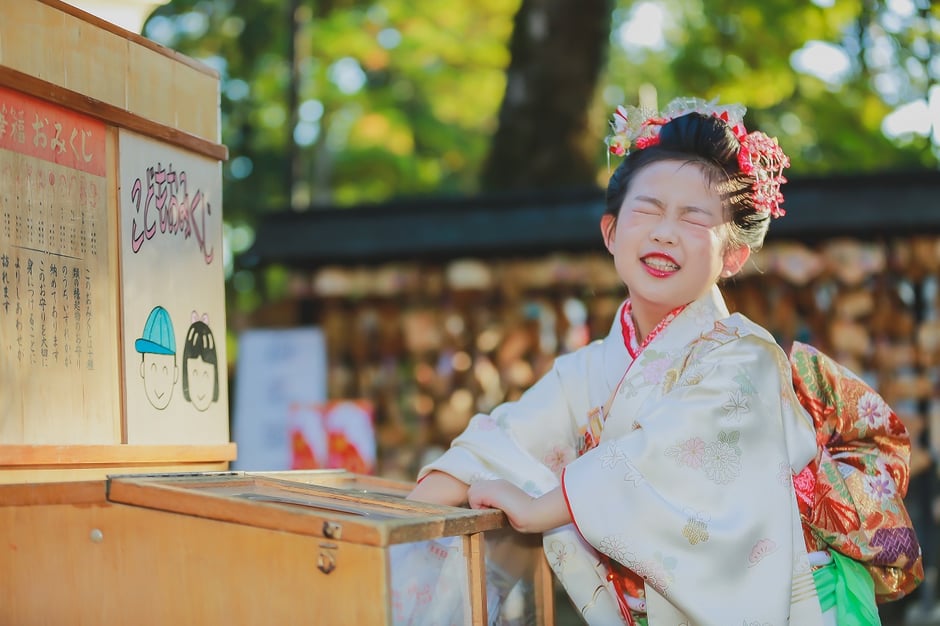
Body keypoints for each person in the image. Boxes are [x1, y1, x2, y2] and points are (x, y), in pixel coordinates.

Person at [408, 97, 920, 625]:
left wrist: (541, 509)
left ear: (733, 256)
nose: (664, 230)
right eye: (648, 208)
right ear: (611, 232)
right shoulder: (584, 372)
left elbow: (669, 454)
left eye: (695, 217)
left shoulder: (746, 360)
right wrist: (417, 511)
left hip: (794, 605)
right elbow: (507, 439)